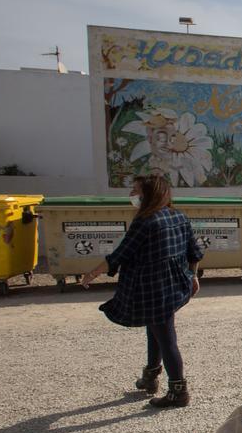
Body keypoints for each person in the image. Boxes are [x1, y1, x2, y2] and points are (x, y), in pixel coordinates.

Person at [81, 174, 204, 408]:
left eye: (135, 190)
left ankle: (178, 391)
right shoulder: (178, 216)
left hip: (153, 290)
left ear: (149, 194)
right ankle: (150, 377)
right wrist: (193, 276)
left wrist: (92, 273)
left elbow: (120, 254)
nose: (131, 195)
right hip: (176, 285)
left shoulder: (146, 222)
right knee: (156, 329)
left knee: (166, 338)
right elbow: (194, 252)